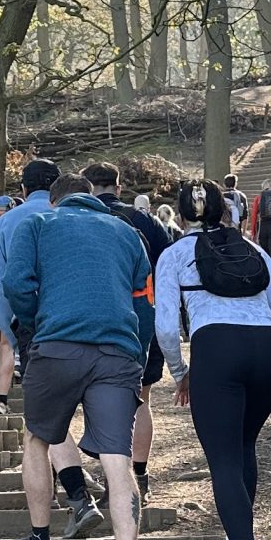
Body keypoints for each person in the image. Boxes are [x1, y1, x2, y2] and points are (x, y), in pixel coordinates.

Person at [4, 172, 156, 540]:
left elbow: (16, 284)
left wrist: (36, 323)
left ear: (55, 201)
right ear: (93, 199)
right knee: (117, 460)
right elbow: (144, 306)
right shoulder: (127, 233)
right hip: (117, 353)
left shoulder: (37, 224)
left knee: (38, 439)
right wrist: (137, 355)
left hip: (57, 347)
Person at [155, 180, 271, 540]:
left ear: (181, 215)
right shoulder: (253, 250)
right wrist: (267, 350)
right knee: (243, 445)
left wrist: (182, 373)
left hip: (217, 348)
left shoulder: (174, 255)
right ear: (224, 211)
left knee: (223, 459)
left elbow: (166, 328)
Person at [0, 157, 102, 532]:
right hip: (87, 326)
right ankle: (89, 487)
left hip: (35, 328)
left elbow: (0, 287)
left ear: (22, 189)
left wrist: (13, 334)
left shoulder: (7, 224)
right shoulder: (78, 218)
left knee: (42, 420)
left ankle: (75, 498)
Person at [83, 160, 171, 520]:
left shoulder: (81, 220)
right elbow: (166, 267)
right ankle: (139, 476)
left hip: (95, 324)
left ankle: (112, 480)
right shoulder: (146, 221)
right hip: (143, 318)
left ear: (87, 188)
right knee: (142, 399)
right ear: (118, 187)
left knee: (99, 403)